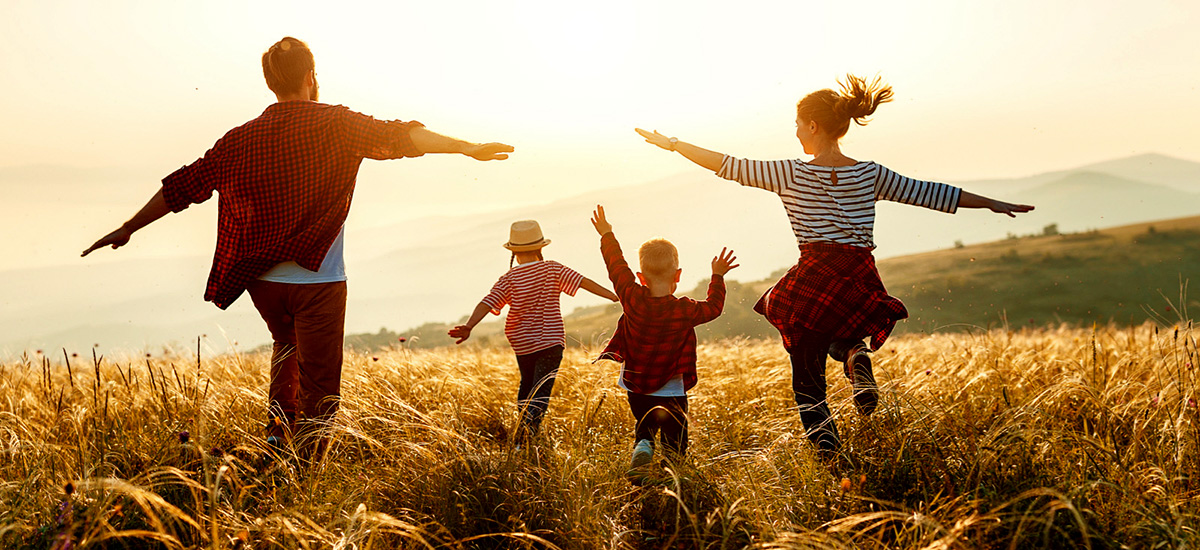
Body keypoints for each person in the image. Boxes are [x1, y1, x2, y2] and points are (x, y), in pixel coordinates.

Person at [81, 37, 514, 458]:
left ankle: (277, 436)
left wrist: (128, 227)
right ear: (311, 76)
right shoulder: (337, 123)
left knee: (285, 347)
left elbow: (184, 186)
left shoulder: (240, 138)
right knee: (321, 382)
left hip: (262, 282)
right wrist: (467, 148)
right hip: (318, 280)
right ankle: (306, 468)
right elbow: (402, 136)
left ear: (271, 83)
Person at [634, 75, 1033, 456]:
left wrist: (673, 144)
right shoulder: (870, 173)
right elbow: (930, 193)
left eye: (796, 124)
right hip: (859, 273)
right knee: (834, 331)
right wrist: (992, 203)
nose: (794, 132)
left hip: (815, 272)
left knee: (804, 374)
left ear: (812, 125)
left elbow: (727, 164)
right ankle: (854, 354)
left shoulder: (790, 172)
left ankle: (831, 457)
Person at [589, 205, 737, 483]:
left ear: (641, 277)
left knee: (645, 425)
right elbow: (714, 307)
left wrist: (607, 234)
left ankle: (643, 445)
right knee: (675, 439)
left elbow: (616, 267)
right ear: (678, 275)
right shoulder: (685, 309)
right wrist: (717, 276)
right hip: (672, 387)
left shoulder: (631, 296)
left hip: (636, 384)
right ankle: (671, 478)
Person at [448, 220, 618, 444]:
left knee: (527, 386)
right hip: (550, 341)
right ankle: (527, 437)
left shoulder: (508, 279)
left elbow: (487, 303)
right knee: (541, 390)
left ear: (514, 253)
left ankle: (522, 436)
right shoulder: (553, 269)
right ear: (540, 247)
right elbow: (584, 282)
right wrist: (614, 295)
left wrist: (469, 326)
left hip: (522, 344)